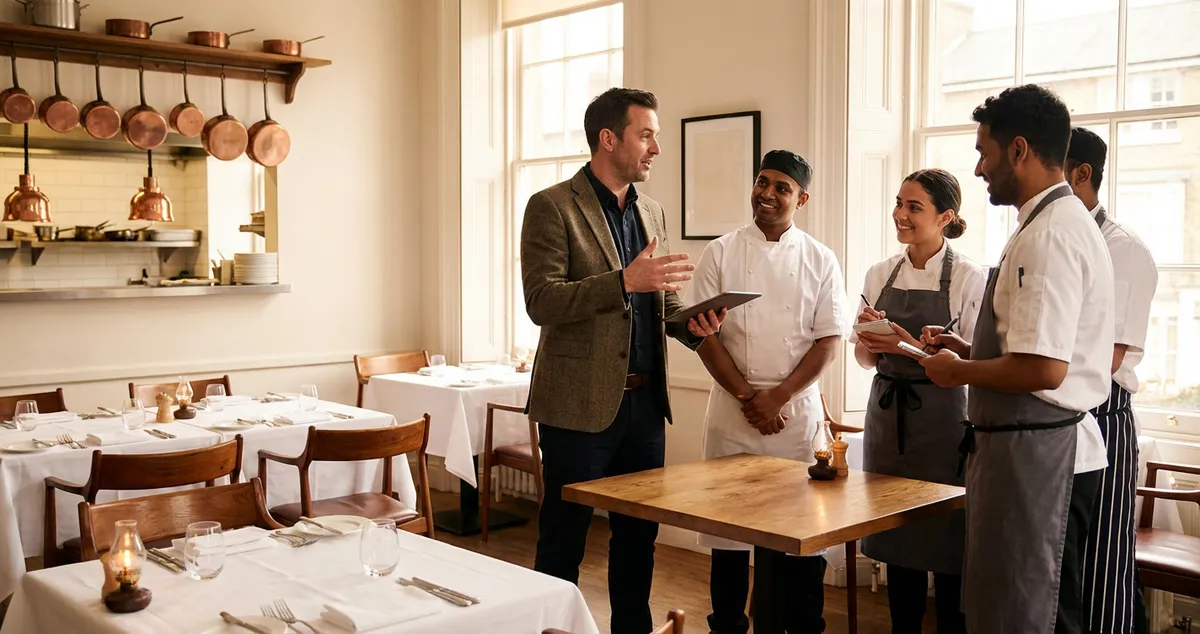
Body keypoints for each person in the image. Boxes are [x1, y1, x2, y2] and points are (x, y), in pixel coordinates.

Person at [519, 87, 724, 634]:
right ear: (609, 139)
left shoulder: (652, 209)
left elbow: (659, 298)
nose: (656, 147)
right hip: (576, 406)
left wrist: (692, 322)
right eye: (647, 134)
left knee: (638, 542)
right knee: (563, 541)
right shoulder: (550, 205)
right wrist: (621, 282)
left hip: (645, 408)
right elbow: (541, 301)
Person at [918, 84, 1114, 634]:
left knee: (1030, 617)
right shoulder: (1048, 222)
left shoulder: (1049, 234)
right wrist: (969, 349)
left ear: (1019, 150)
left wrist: (956, 372)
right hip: (1027, 451)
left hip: (1041, 460)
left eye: (984, 152)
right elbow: (1032, 347)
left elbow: (1044, 369)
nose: (979, 169)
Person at [686, 149, 851, 634]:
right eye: (762, 182)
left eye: (781, 187)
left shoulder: (821, 258)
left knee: (799, 539)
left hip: (794, 418)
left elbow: (828, 342)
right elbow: (703, 334)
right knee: (728, 542)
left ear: (801, 198)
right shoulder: (720, 251)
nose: (768, 194)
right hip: (732, 414)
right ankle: (728, 627)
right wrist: (747, 397)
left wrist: (776, 398)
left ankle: (800, 627)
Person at [851, 169, 984, 634]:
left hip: (945, 422)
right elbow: (864, 359)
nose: (899, 215)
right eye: (898, 203)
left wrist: (912, 345)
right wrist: (872, 335)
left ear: (946, 217)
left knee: (950, 543)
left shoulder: (970, 277)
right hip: (888, 418)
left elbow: (973, 361)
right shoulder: (878, 272)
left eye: (913, 207)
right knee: (897, 540)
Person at [1065, 126, 1158, 634]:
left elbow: (1113, 351)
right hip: (1054, 414)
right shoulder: (1055, 236)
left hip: (1103, 415)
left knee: (1104, 558)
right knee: (1065, 560)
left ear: (1082, 174)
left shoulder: (1123, 250)